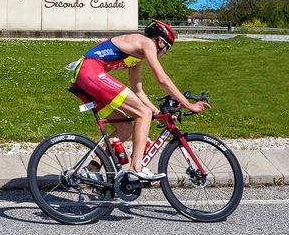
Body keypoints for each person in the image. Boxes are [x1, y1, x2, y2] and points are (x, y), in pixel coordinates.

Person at [67, 20, 209, 181]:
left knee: (125, 128)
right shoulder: (146, 42)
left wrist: (158, 114)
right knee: (143, 113)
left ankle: (92, 168)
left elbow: (138, 92)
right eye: (167, 48)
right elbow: (163, 80)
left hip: (84, 78)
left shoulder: (136, 56)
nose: (165, 53)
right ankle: (136, 168)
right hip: (90, 72)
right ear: (161, 42)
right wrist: (188, 105)